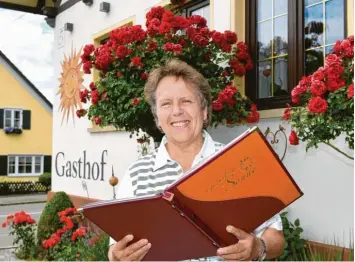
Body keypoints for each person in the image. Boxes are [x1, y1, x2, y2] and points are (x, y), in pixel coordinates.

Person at [108, 59, 285, 261]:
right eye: (166, 104)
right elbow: (115, 248)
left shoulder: (236, 161)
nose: (177, 111)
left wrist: (257, 248)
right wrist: (117, 256)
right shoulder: (136, 174)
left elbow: (276, 237)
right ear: (157, 117)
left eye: (186, 101)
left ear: (204, 110)